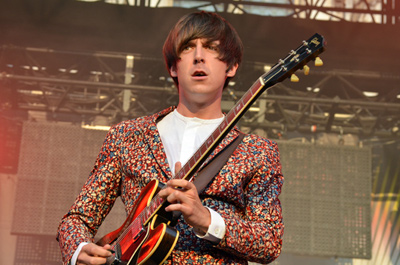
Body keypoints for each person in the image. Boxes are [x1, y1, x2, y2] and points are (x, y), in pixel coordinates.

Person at [57, 11, 284, 265]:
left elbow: (270, 240)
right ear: (174, 67)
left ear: (231, 67)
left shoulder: (258, 151)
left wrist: (206, 219)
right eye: (188, 48)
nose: (199, 56)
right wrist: (78, 249)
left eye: (210, 47)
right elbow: (77, 219)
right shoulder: (128, 136)